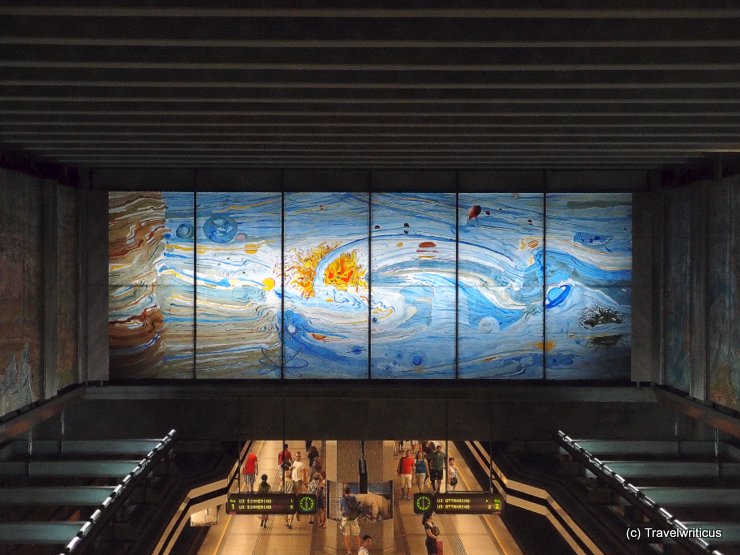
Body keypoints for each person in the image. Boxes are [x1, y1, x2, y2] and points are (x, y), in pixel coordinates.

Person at [340, 486, 361, 555]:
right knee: (356, 535)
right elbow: (358, 508)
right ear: (350, 492)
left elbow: (342, 509)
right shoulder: (354, 498)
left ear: (344, 492)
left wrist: (343, 513)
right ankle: (359, 551)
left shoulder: (342, 499)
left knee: (346, 535)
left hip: (346, 519)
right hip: (354, 519)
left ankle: (349, 552)